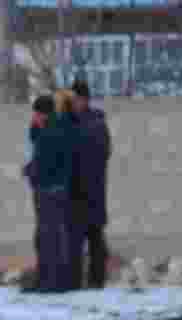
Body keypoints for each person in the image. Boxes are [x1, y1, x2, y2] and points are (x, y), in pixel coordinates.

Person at [24, 92, 78, 293]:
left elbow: (45, 163)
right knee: (45, 237)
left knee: (49, 238)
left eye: (36, 114)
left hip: (50, 191)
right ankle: (46, 279)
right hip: (50, 190)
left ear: (43, 114)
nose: (34, 117)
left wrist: (30, 171)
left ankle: (52, 282)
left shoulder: (52, 132)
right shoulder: (49, 129)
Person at [70, 79, 112, 289]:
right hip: (75, 191)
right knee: (74, 239)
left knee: (95, 237)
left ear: (84, 99)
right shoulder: (71, 121)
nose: (73, 104)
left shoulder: (96, 123)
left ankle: (97, 280)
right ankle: (76, 280)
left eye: (76, 99)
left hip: (92, 189)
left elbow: (103, 153)